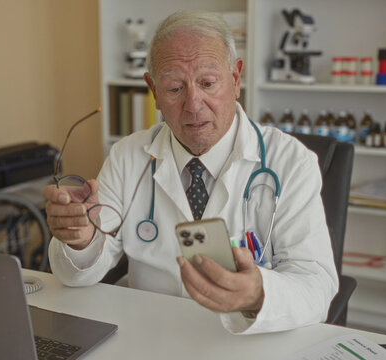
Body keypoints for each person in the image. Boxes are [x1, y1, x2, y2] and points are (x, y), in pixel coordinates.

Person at [43, 10, 338, 335]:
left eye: (208, 83)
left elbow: (316, 286)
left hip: (245, 343)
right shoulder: (128, 156)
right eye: (174, 88)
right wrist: (82, 241)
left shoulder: (290, 161)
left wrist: (257, 294)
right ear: (153, 91)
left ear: (236, 79)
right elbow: (77, 275)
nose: (193, 104)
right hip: (151, 338)